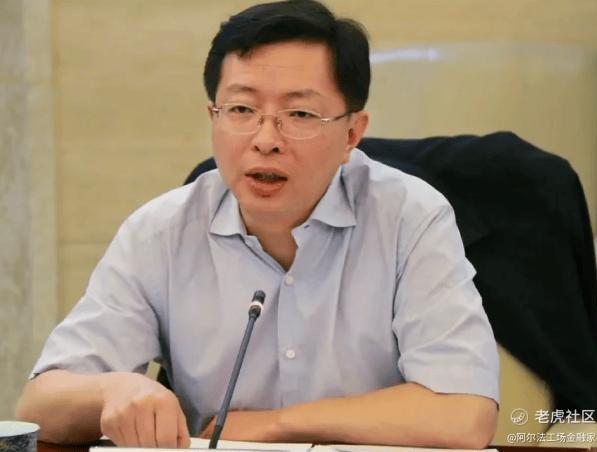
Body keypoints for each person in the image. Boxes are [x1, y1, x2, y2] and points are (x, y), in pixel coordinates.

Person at [17, 0, 499, 449]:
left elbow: (464, 413)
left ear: (352, 132)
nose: (266, 139)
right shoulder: (161, 232)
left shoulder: (410, 218)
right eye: (242, 110)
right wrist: (113, 390)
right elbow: (39, 406)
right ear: (213, 116)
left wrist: (277, 424)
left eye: (300, 113)